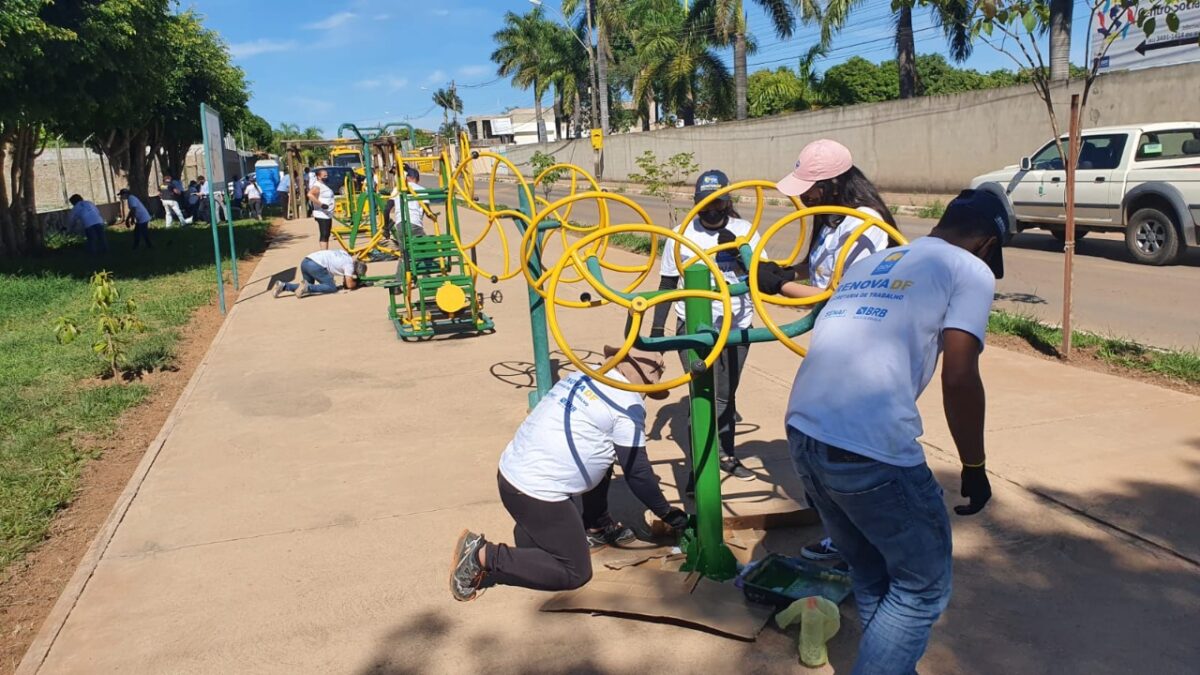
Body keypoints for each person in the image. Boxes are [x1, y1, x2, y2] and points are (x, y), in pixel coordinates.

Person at [784, 189, 1006, 674]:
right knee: (923, 586)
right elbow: (961, 376)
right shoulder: (970, 270)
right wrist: (974, 465)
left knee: (872, 570)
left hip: (803, 431)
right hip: (869, 447)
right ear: (988, 243)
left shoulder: (874, 262)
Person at [449, 347, 689, 601]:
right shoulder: (627, 404)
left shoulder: (587, 375)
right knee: (574, 571)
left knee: (604, 450)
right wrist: (668, 513)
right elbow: (637, 473)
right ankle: (482, 555)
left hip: (513, 473)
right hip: (535, 494)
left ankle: (596, 526)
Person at [760, 139, 901, 562]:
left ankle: (858, 544)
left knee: (841, 445)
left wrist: (781, 286)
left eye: (809, 187)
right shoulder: (829, 220)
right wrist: (786, 270)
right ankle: (843, 535)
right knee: (812, 433)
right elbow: (819, 266)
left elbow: (844, 292)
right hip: (833, 344)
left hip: (859, 348)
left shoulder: (865, 224)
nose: (802, 195)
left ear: (835, 183)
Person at [648, 169, 758, 482]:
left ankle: (725, 455)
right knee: (701, 393)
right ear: (696, 203)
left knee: (725, 395)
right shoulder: (681, 234)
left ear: (728, 202)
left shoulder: (744, 230)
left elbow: (760, 277)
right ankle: (700, 465)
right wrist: (658, 335)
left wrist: (737, 253)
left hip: (738, 324)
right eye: (704, 204)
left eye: (718, 203)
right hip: (694, 326)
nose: (712, 211)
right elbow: (668, 284)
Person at [272, 249, 367, 298]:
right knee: (331, 287)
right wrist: (357, 283)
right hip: (316, 265)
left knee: (307, 286)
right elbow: (349, 284)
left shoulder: (345, 254)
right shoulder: (349, 266)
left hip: (306, 261)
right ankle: (306, 287)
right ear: (355, 270)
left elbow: (333, 264)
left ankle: (283, 286)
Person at [391, 165, 428, 239]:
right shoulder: (421, 189)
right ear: (417, 179)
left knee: (404, 246)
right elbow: (426, 210)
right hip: (414, 223)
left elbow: (387, 208)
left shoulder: (397, 190)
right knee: (423, 243)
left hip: (400, 224)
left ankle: (403, 250)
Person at [307, 168, 335, 250]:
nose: (327, 177)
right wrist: (321, 204)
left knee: (327, 234)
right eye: (324, 176)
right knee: (324, 233)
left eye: (327, 175)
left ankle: (325, 251)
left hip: (327, 213)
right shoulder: (317, 186)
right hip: (322, 214)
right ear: (319, 177)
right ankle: (324, 253)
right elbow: (310, 194)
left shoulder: (323, 185)